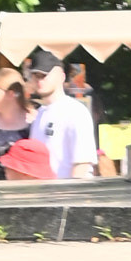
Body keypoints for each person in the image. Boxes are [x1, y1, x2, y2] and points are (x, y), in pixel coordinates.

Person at [22, 52, 101, 180]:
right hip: (43, 195)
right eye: (35, 75)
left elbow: (82, 165)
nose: (39, 79)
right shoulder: (39, 114)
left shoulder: (75, 112)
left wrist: (69, 197)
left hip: (67, 196)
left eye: (45, 75)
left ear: (62, 77)